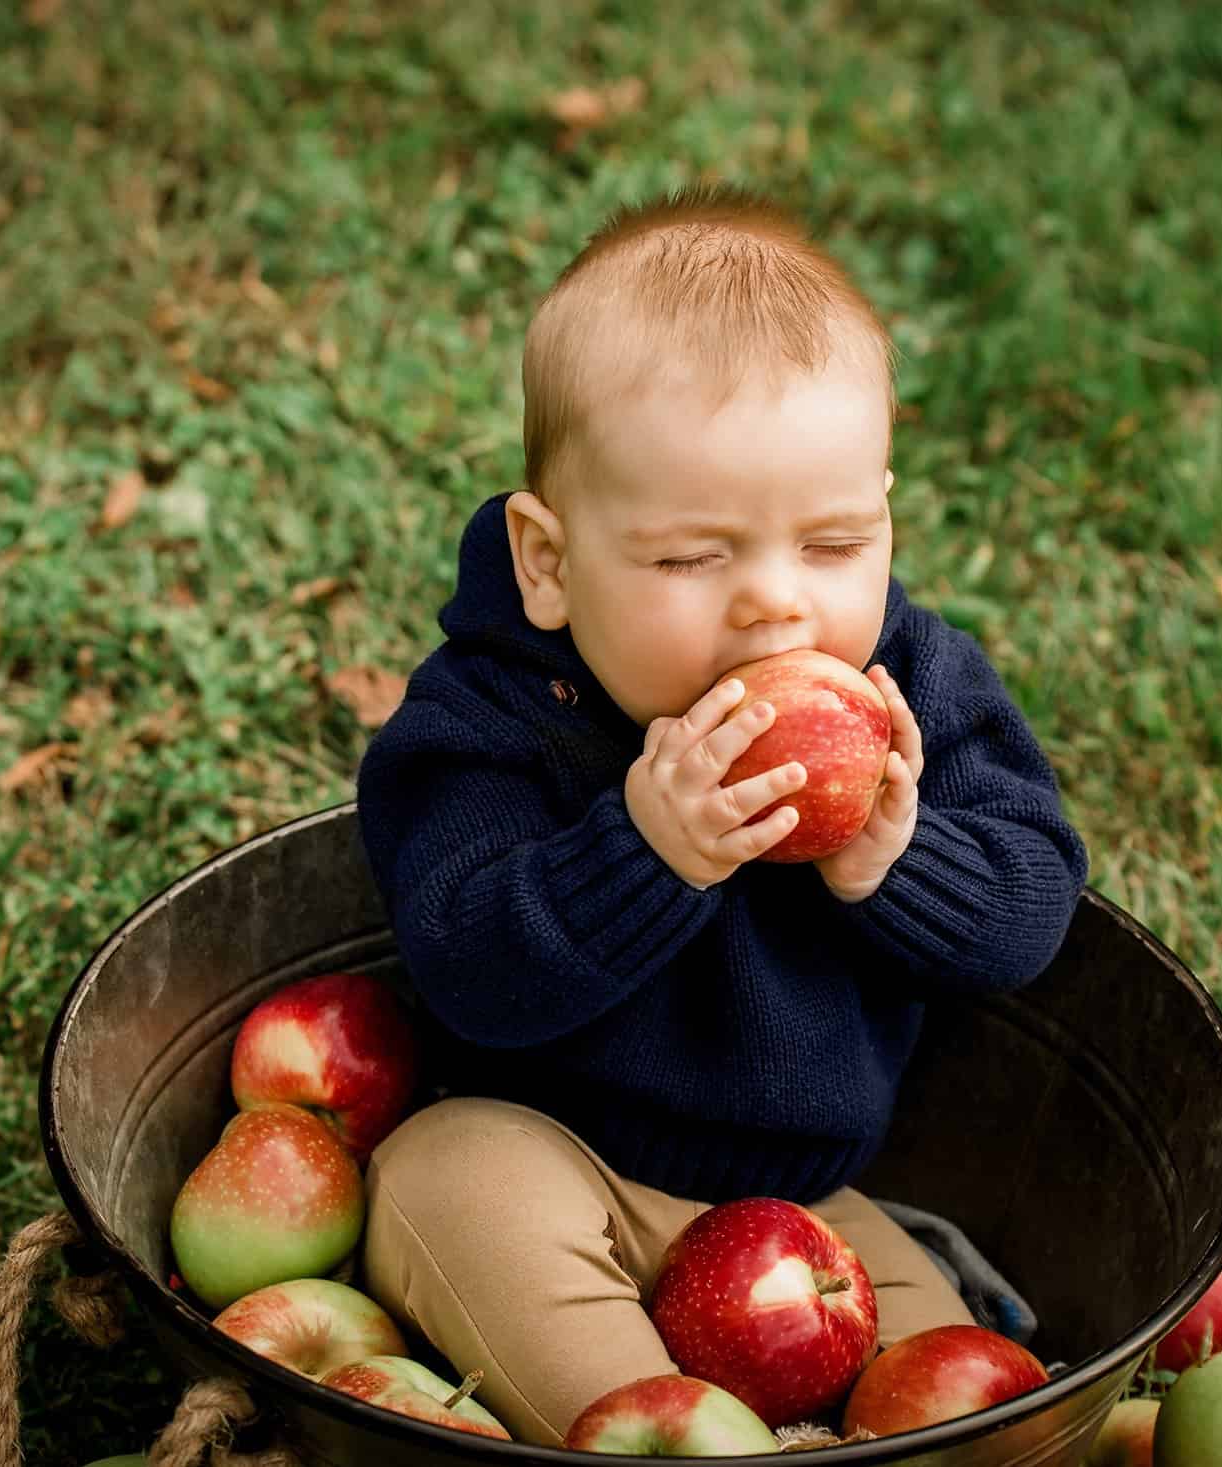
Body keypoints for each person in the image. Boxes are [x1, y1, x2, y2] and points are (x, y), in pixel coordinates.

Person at [353, 185, 1088, 1445]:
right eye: (691, 559)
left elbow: (1034, 903)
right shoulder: (490, 715)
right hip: (547, 1157)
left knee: (978, 1406)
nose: (772, 609)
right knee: (442, 1182)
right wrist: (644, 857)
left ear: (886, 519)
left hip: (800, 1212)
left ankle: (805, 1433)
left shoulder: (908, 686)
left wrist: (894, 858)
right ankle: (659, 1434)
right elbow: (464, 958)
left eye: (832, 544)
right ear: (547, 560)